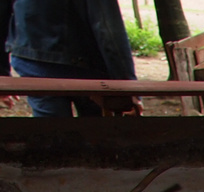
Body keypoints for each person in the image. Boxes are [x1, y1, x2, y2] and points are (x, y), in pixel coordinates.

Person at [0, 0, 138, 117]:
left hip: (34, 58)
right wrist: (127, 84)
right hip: (86, 64)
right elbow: (107, 25)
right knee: (96, 133)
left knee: (53, 133)